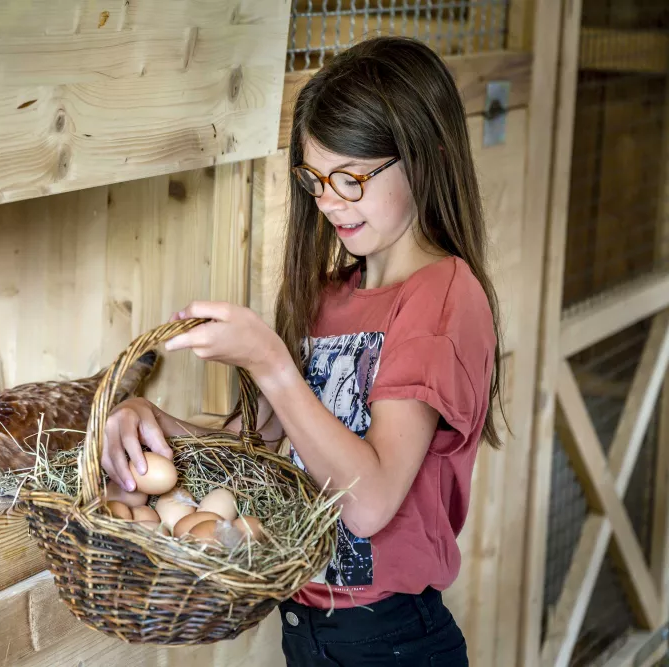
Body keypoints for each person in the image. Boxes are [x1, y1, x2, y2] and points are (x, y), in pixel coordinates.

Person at [100, 35, 505, 667]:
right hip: (306, 629)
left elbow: (368, 504)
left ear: (424, 157)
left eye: (352, 178)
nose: (329, 201)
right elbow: (252, 449)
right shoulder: (326, 297)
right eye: (315, 179)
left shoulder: (442, 302)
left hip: (391, 641)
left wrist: (269, 360)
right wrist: (151, 428)